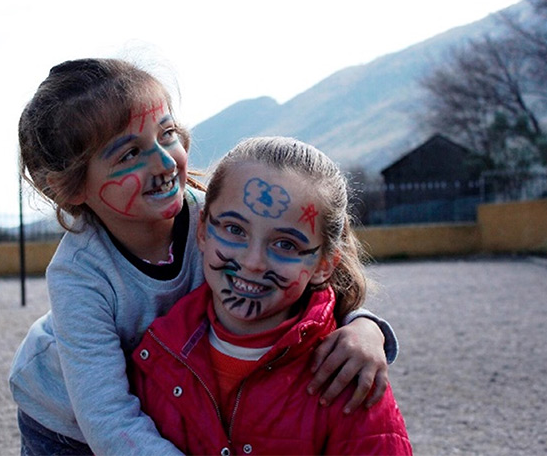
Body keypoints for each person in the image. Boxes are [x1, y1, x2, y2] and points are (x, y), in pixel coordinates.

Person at [9, 59, 398, 455]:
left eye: (167, 134)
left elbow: (310, 271)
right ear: (67, 187)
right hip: (65, 421)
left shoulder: (224, 218)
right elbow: (107, 418)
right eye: (129, 154)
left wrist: (365, 328)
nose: (163, 161)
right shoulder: (79, 275)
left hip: (158, 403)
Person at [130, 136, 412, 455]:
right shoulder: (156, 356)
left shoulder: (348, 379)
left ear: (323, 265)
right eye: (235, 230)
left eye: (285, 244)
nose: (252, 262)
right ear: (203, 230)